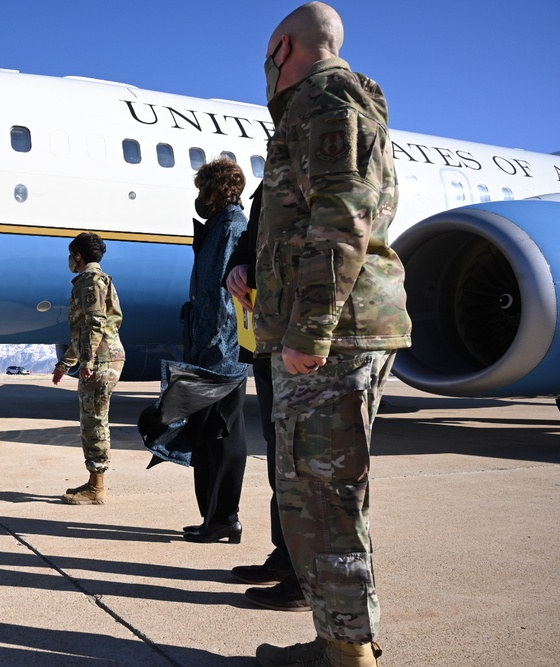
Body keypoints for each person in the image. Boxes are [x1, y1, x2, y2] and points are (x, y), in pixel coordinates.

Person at [251, 4, 411, 666]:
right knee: (315, 495)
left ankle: (346, 652)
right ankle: (343, 638)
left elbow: (344, 214)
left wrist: (310, 328)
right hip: (331, 331)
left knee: (324, 498)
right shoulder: (320, 104)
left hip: (334, 336)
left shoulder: (325, 95)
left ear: (284, 47)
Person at [138, 157, 249, 543]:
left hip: (222, 354)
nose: (199, 197)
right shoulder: (217, 227)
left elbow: (224, 300)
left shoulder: (233, 227)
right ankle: (213, 516)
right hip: (206, 346)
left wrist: (214, 356)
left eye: (203, 189)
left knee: (222, 433)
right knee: (205, 433)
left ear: (217, 189)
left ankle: (224, 517)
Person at [226, 185, 309, 612]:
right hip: (269, 329)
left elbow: (338, 238)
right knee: (281, 456)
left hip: (299, 333)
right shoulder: (277, 169)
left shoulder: (317, 141)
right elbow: (255, 235)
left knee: (302, 461)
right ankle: (287, 556)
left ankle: (307, 576)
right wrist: (238, 265)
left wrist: (312, 331)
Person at [52, 232, 125, 505]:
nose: (70, 260)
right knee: (93, 419)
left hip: (102, 360)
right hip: (106, 355)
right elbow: (85, 332)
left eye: (72, 255)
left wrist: (89, 361)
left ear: (79, 256)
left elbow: (93, 324)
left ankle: (97, 489)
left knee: (94, 422)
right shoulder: (102, 280)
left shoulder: (89, 281)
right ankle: (95, 481)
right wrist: (65, 365)